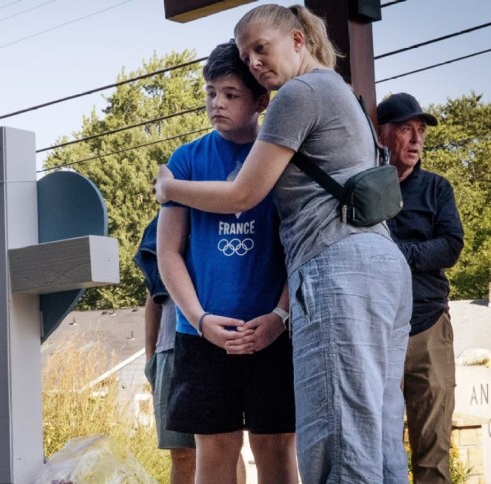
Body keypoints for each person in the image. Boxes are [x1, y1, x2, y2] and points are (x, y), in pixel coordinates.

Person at [154, 5, 413, 483]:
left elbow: (243, 194)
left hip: (337, 265)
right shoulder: (344, 94)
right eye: (245, 55)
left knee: (340, 437)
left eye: (261, 48)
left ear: (297, 40)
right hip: (379, 261)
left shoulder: (298, 93)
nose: (254, 62)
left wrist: (168, 188)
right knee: (376, 434)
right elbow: (169, 250)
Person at [156, 40, 297, 484]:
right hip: (202, 334)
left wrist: (280, 316)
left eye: (231, 94)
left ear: (261, 101)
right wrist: (200, 320)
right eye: (211, 92)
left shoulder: (283, 158)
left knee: (276, 447)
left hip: (272, 331)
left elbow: (301, 249)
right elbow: (168, 252)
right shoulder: (186, 160)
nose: (217, 103)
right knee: (215, 450)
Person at [378, 92, 464, 483]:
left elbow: (451, 245)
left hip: (428, 328)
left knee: (433, 451)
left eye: (421, 131)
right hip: (377, 334)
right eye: (406, 130)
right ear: (382, 133)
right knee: (380, 449)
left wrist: (399, 254)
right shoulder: (364, 188)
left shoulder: (436, 189)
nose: (416, 140)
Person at [135, 215, 197, 484]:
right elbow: (154, 295)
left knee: (221, 445)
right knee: (181, 453)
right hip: (170, 349)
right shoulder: (163, 223)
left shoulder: (220, 213)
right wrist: (151, 356)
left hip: (217, 344)